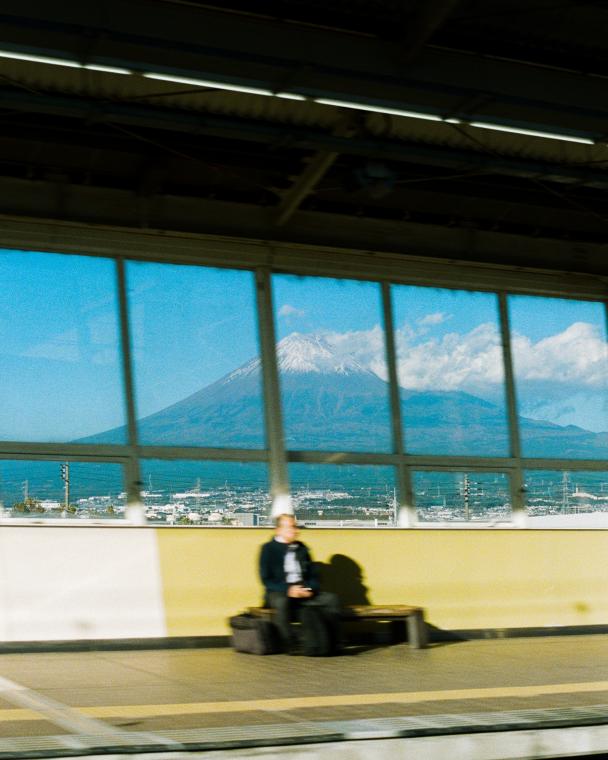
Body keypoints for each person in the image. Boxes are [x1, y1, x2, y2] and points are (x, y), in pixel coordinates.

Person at [259, 513, 341, 654]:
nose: (295, 530)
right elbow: (266, 580)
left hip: (303, 590)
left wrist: (308, 588)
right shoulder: (268, 549)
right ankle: (290, 644)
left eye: (295, 526)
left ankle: (333, 641)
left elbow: (313, 576)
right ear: (278, 530)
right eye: (290, 527)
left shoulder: (302, 549)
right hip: (280, 592)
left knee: (332, 599)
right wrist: (289, 590)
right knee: (281, 602)